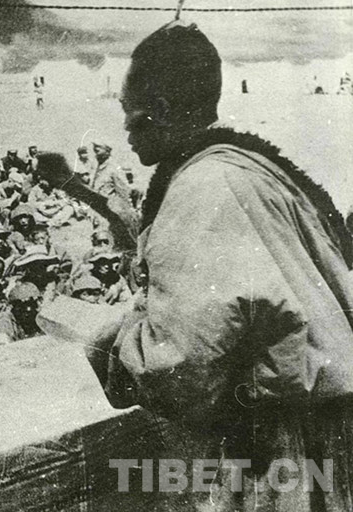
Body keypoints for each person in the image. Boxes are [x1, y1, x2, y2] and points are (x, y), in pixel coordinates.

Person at [38, 20, 353, 510]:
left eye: (129, 112)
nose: (126, 129)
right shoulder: (242, 170)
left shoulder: (204, 189)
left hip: (277, 453)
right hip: (316, 430)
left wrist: (108, 341)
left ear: (162, 110)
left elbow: (180, 370)